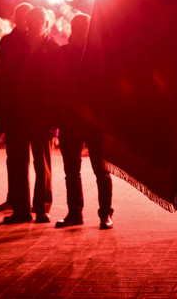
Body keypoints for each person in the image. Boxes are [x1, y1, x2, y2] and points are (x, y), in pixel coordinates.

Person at [56, 14, 114, 229]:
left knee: (99, 170)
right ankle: (78, 213)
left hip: (93, 121)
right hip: (73, 120)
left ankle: (102, 213)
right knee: (76, 171)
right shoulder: (63, 53)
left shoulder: (97, 55)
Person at [1, 7, 58, 224]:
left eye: (39, 21)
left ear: (46, 23)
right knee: (18, 163)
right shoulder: (16, 44)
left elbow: (56, 86)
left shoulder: (53, 48)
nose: (35, 25)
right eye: (31, 21)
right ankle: (22, 209)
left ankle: (41, 208)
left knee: (41, 164)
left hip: (41, 115)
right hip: (18, 113)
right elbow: (4, 80)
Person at [0, 2, 32, 213]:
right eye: (20, 16)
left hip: (27, 107)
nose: (23, 20)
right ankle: (15, 198)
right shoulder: (9, 41)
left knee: (26, 158)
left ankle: (32, 202)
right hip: (15, 106)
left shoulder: (36, 40)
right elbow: (2, 76)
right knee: (15, 157)